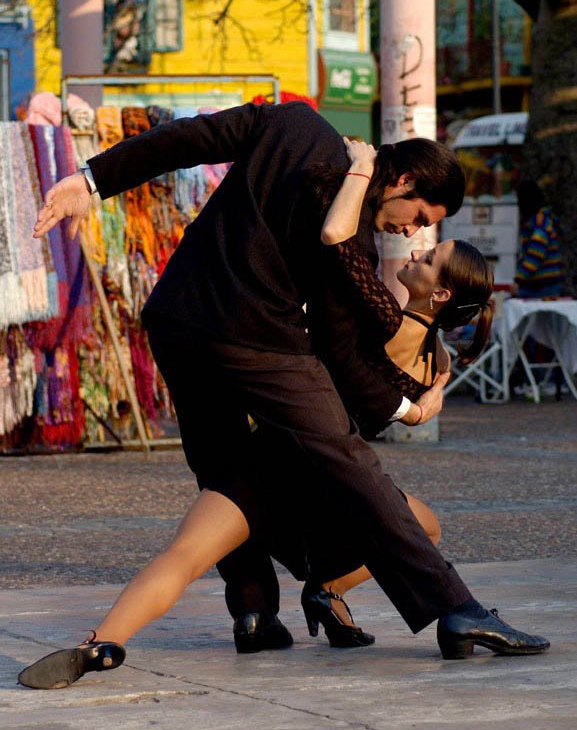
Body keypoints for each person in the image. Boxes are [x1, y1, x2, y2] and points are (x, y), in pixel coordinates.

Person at [20, 102, 549, 688]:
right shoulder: (353, 247)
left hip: (178, 320)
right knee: (352, 463)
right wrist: (405, 407)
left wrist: (90, 180)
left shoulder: (292, 124)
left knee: (220, 468)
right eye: (420, 214)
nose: (414, 231)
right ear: (402, 181)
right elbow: (337, 352)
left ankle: (254, 612)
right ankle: (458, 609)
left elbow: (187, 138)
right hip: (259, 341)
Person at [514, 180, 564, 299]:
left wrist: (519, 279)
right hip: (542, 284)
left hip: (543, 286)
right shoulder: (539, 220)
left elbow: (535, 254)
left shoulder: (539, 221)